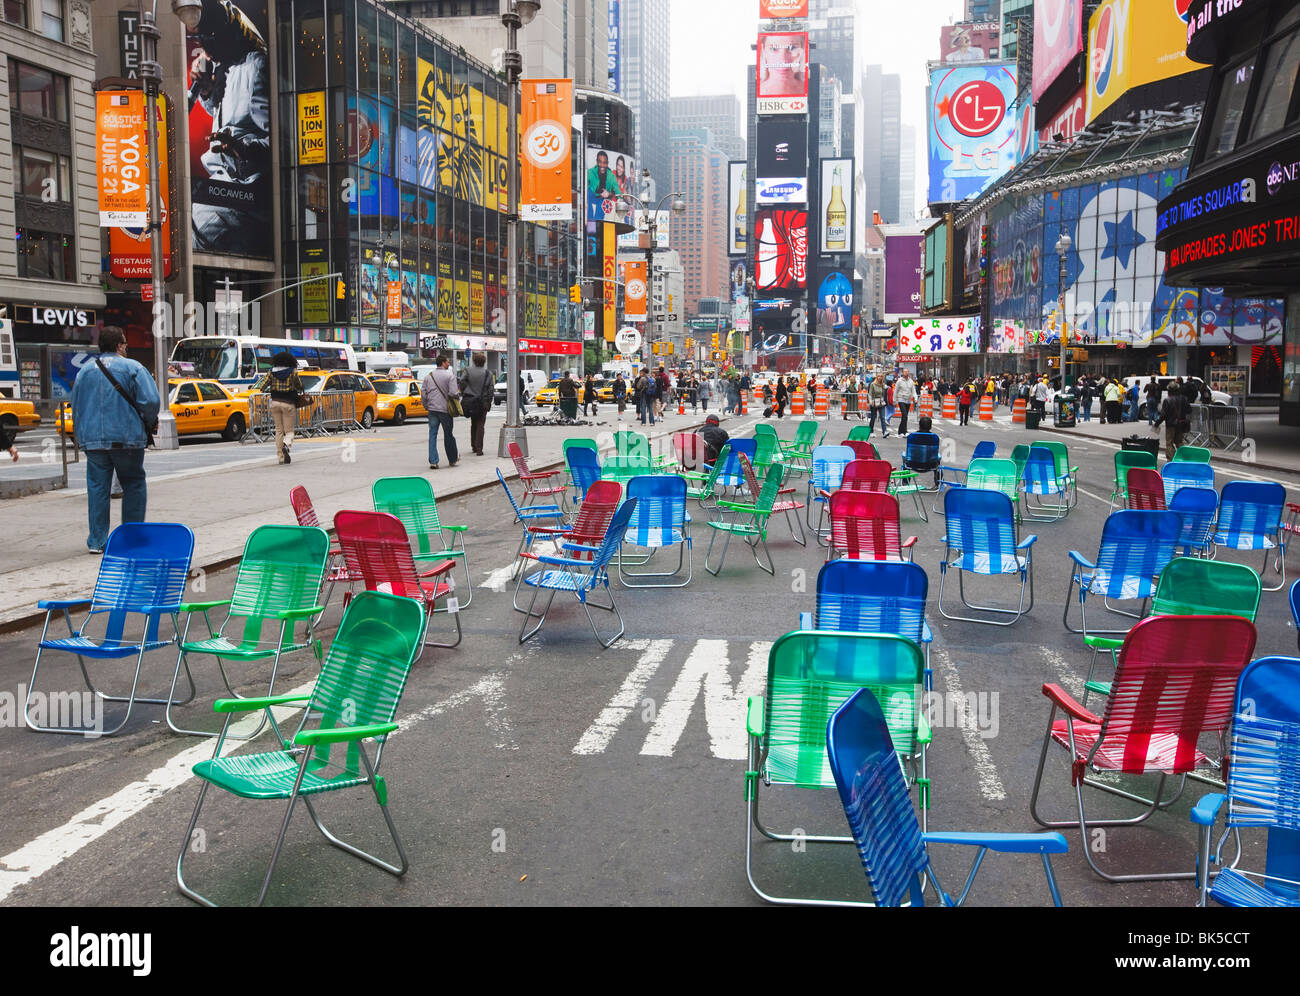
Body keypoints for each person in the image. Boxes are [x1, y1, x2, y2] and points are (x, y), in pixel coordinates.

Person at [71, 326, 160, 555]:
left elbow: (77, 407)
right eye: (125, 344)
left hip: (94, 441)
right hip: (127, 438)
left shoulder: (84, 371)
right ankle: (131, 538)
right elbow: (150, 401)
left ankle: (97, 541)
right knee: (134, 484)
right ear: (119, 345)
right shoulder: (133, 368)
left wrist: (82, 437)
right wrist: (150, 421)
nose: (126, 348)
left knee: (97, 488)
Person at [421, 351, 461, 469]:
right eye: (448, 361)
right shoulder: (450, 376)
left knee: (432, 434)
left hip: (432, 409)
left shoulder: (428, 376)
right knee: (448, 434)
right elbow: (453, 392)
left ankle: (433, 461)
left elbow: (423, 393)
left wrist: (426, 405)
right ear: (443, 363)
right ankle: (452, 459)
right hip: (445, 410)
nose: (449, 363)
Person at [265, 349, 303, 465]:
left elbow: (263, 385)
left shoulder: (271, 371)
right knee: (289, 431)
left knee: (278, 431)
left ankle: (280, 457)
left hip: (275, 403)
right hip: (288, 403)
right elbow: (299, 385)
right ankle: (286, 445)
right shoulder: (293, 372)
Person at [458, 351, 493, 456]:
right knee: (480, 425)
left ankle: (473, 445)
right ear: (484, 362)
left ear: (474, 361)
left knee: (473, 424)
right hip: (483, 402)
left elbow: (462, 382)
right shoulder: (488, 373)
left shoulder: (468, 371)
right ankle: (479, 449)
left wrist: (466, 392)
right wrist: (488, 401)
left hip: (470, 400)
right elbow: (491, 389)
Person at [1153, 387, 1190, 461]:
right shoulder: (1184, 399)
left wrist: (1157, 423)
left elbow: (1163, 415)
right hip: (1181, 423)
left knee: (1169, 443)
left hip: (1171, 425)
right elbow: (1189, 410)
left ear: (1169, 391)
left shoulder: (1167, 400)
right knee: (1179, 442)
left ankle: (1171, 460)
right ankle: (1184, 458)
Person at [894, 369, 916, 434]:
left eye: (907, 372)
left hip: (908, 400)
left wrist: (915, 398)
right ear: (903, 373)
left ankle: (900, 430)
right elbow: (896, 391)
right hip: (901, 399)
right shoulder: (899, 381)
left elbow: (913, 390)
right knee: (904, 415)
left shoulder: (911, 381)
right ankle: (904, 431)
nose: (906, 373)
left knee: (905, 416)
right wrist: (894, 400)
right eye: (904, 372)